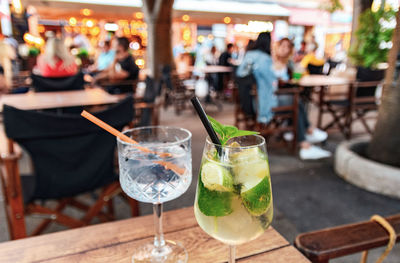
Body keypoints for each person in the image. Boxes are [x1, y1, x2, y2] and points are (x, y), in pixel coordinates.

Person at [237, 33, 330, 160]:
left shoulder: (252, 56)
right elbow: (271, 83)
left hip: (255, 99)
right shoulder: (265, 59)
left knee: (295, 101)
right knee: (296, 102)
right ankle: (304, 139)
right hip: (264, 102)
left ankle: (300, 133)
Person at [273, 38, 331, 160]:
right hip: (274, 99)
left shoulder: (289, 63)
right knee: (296, 102)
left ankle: (303, 137)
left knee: (298, 102)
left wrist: (294, 77)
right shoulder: (269, 62)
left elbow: (296, 76)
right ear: (277, 47)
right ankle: (307, 135)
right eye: (282, 46)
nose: (285, 49)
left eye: (288, 47)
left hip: (287, 95)